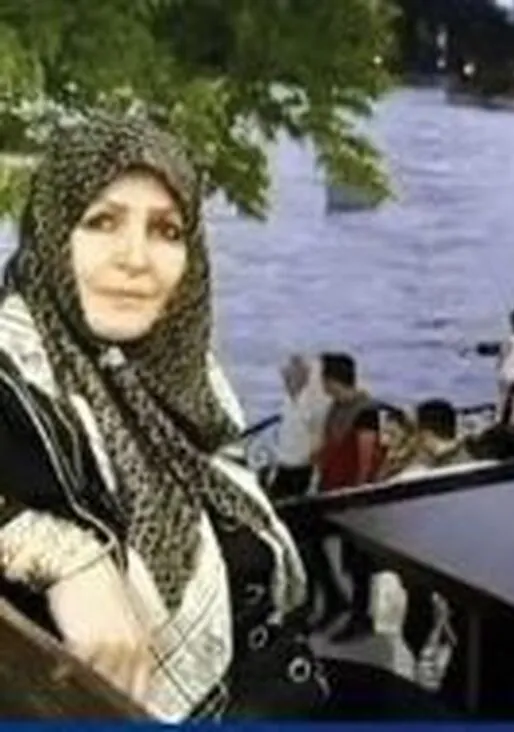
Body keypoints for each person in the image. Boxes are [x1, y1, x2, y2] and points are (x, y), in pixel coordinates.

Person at [0, 113, 443, 720]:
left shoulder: (182, 374)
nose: (136, 258)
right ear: (53, 232)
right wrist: (62, 556)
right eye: (102, 221)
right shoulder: (18, 370)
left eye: (166, 230)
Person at [312, 352, 383, 643]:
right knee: (310, 541)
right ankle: (334, 598)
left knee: (356, 561)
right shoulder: (335, 408)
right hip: (331, 487)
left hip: (352, 493)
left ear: (333, 380)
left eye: (324, 379)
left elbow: (367, 455)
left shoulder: (365, 412)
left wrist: (359, 490)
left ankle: (360, 616)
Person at [269, 355, 327, 499]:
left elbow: (318, 436)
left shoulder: (313, 403)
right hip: (284, 463)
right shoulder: (288, 401)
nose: (286, 380)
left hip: (303, 467)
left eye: (290, 376)